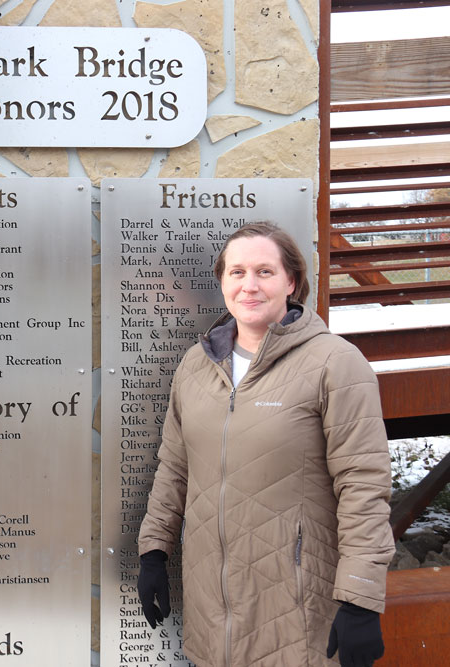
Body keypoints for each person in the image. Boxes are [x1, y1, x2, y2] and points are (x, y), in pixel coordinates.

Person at [136, 222, 394, 667]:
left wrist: (360, 599)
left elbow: (364, 486)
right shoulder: (197, 365)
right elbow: (174, 468)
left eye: (264, 272)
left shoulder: (335, 364)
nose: (249, 286)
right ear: (221, 282)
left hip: (295, 614)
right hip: (211, 616)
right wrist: (154, 552)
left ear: (291, 282)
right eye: (236, 273)